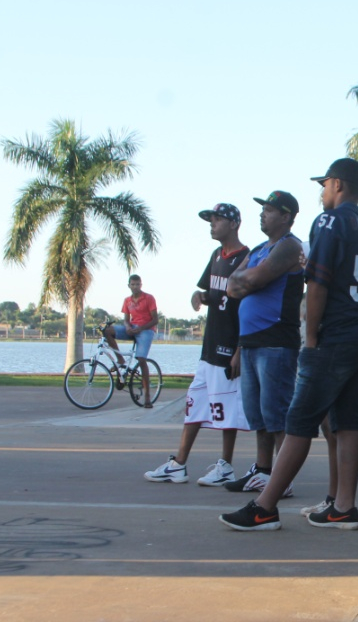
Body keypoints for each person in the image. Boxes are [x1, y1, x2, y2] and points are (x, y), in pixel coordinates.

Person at [220, 157, 358, 532]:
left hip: (336, 334)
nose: (322, 193)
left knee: (299, 420)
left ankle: (264, 507)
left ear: (339, 185)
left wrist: (310, 339)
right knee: (346, 421)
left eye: (325, 185)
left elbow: (319, 284)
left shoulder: (330, 221)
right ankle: (343, 506)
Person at [144, 203, 250, 485]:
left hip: (229, 347)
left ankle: (225, 465)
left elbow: (249, 306)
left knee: (226, 410)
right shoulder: (216, 255)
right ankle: (179, 463)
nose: (212, 224)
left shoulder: (247, 258)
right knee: (194, 402)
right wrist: (199, 296)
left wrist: (240, 349)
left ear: (234, 224)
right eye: (211, 220)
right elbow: (210, 292)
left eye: (217, 220)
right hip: (209, 345)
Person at [222, 190, 305, 495]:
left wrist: (246, 280)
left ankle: (282, 479)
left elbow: (253, 280)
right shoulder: (258, 248)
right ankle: (262, 470)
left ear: (286, 216)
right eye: (263, 210)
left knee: (276, 413)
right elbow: (233, 285)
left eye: (269, 210)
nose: (263, 214)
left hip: (275, 341)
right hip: (251, 342)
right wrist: (244, 280)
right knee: (257, 414)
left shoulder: (289, 247)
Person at [105, 274, 159, 408]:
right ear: (128, 285)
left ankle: (147, 396)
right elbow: (126, 319)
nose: (135, 287)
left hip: (146, 329)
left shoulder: (149, 298)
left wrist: (140, 328)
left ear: (141, 285)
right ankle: (121, 360)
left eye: (137, 284)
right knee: (107, 331)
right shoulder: (127, 300)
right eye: (133, 284)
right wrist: (128, 327)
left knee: (141, 359)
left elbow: (155, 320)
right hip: (132, 328)